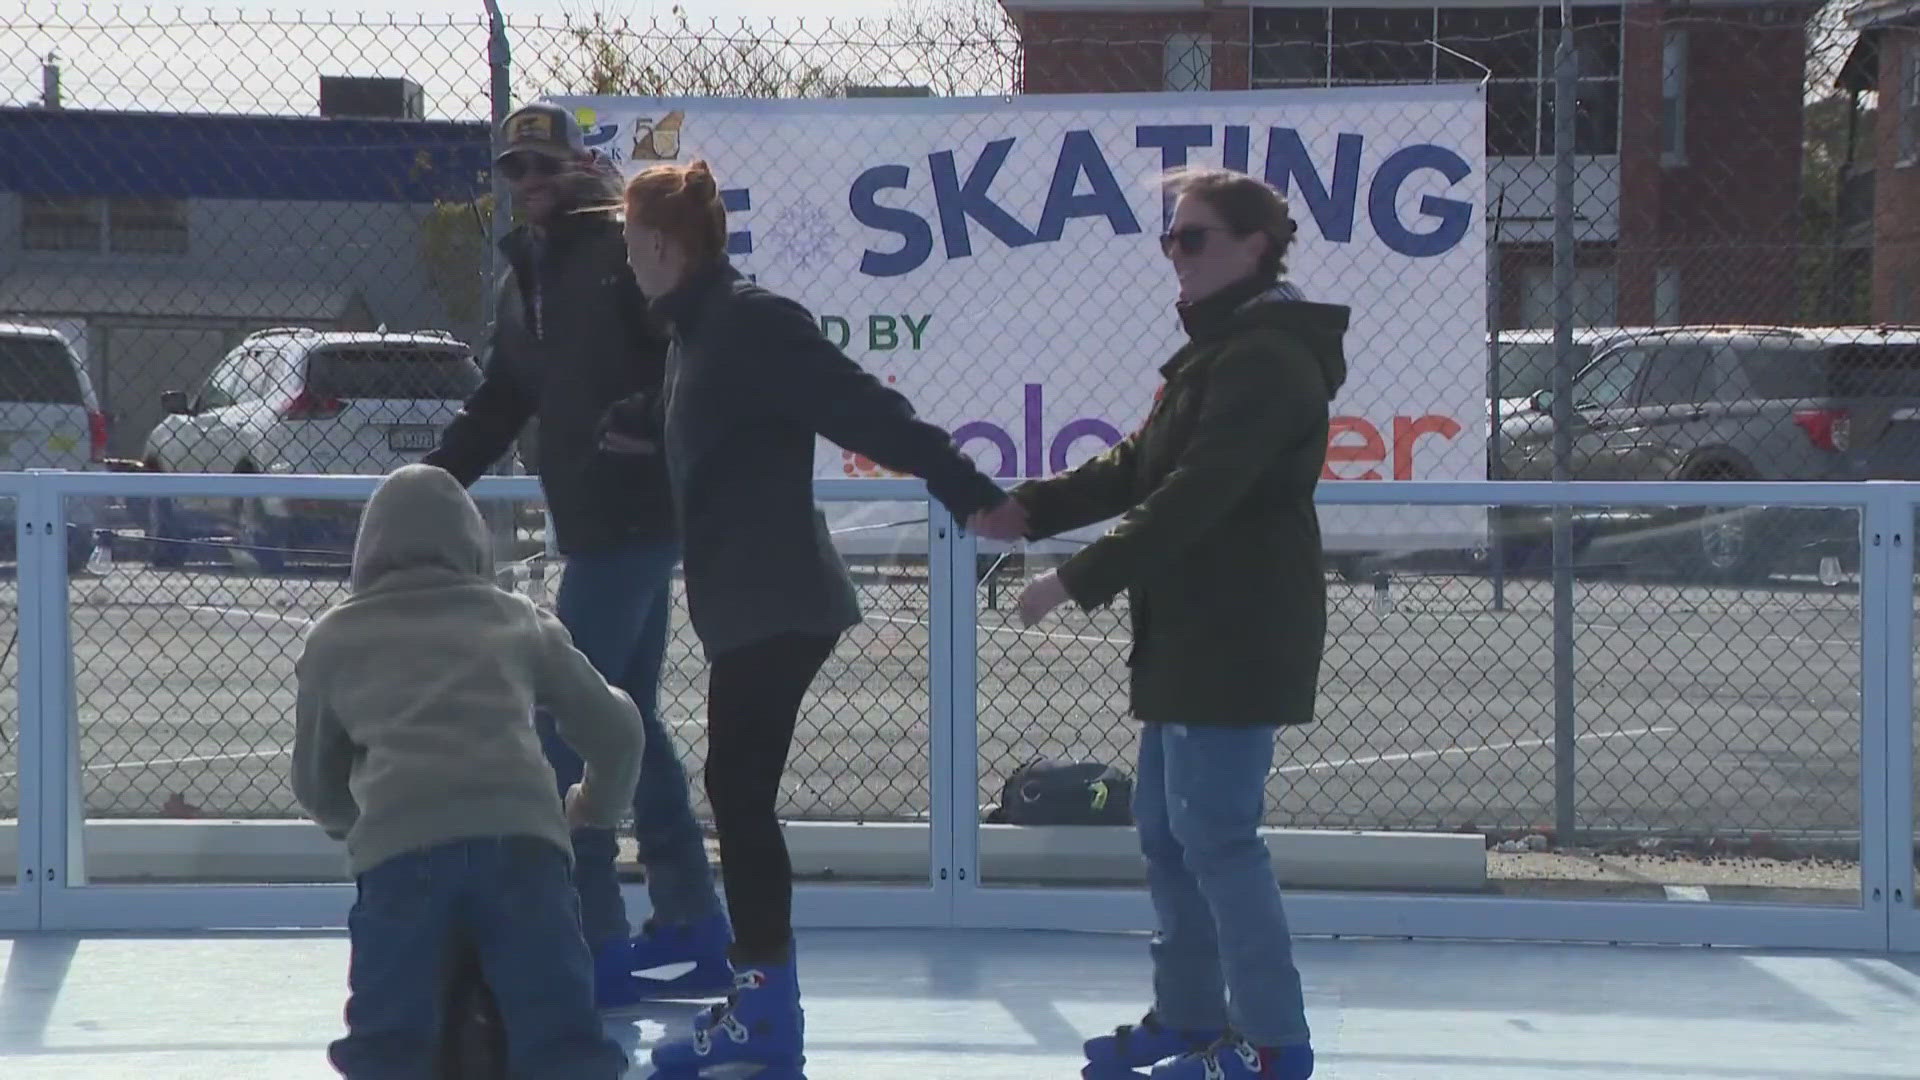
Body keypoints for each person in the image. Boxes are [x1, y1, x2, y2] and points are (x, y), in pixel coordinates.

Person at [616, 159, 1011, 1079]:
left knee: (739, 795)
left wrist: (966, 488)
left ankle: (768, 1008)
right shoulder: (691, 333)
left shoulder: (750, 321)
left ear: (665, 243)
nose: (626, 257)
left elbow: (862, 408)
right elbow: (708, 422)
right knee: (736, 791)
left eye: (631, 240)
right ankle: (764, 997)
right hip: (745, 600)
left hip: (781, 599)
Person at [971, 166, 1345, 1080]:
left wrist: (1071, 580)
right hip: (1187, 630)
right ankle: (1187, 1018)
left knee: (1216, 835)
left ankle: (1270, 1045)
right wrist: (1024, 506)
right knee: (1166, 830)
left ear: (1254, 247)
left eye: (1193, 238)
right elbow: (1137, 465)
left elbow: (1196, 493)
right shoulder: (1219, 352)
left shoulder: (1266, 358)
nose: (1174, 256)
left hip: (1237, 631)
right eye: (1170, 238)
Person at [422, 101, 732, 1007]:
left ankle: (593, 936)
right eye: (514, 169)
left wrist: (647, 423)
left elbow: (689, 341)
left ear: (581, 168)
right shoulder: (531, 277)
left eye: (544, 166)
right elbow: (502, 400)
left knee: (570, 723)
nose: (528, 184)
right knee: (626, 719)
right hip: (598, 526)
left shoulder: (619, 254)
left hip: (634, 520)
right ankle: (694, 923)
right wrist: (428, 486)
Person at [291, 463, 643, 1079]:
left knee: (388, 1037)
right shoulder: (515, 619)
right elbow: (616, 727)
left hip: (400, 855)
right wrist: (594, 804)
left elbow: (316, 783)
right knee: (559, 1031)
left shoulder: (332, 640)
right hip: (523, 846)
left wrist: (362, 825)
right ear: (475, 545)